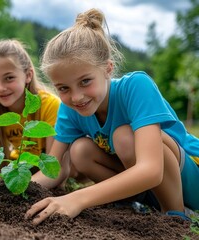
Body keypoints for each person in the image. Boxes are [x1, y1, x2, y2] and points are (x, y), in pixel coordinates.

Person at [25, 8, 199, 225]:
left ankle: (176, 215)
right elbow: (55, 169)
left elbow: (152, 170)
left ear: (108, 69)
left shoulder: (136, 86)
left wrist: (77, 199)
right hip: (147, 187)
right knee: (80, 150)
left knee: (124, 136)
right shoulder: (69, 110)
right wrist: (19, 187)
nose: (76, 97)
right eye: (63, 88)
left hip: (190, 178)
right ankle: (131, 204)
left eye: (85, 81)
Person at [0, 39, 61, 171]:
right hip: (20, 165)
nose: (0, 88)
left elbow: (53, 164)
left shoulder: (50, 105)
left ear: (28, 75)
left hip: (46, 168)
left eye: (9, 78)